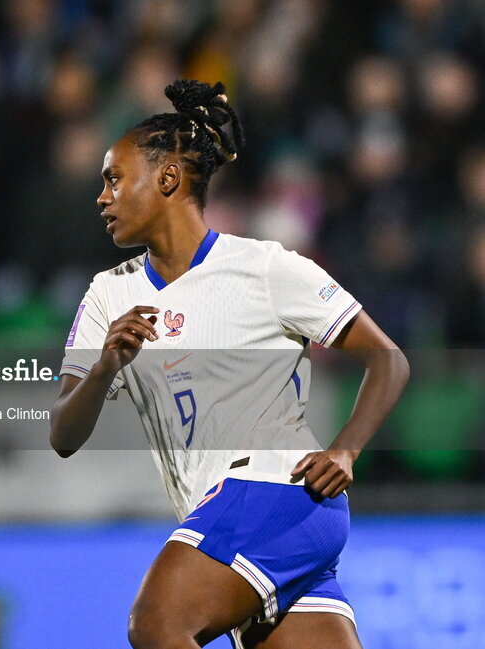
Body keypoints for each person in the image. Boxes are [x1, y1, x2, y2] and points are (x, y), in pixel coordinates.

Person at [50, 80, 409, 649]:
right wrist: (105, 367)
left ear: (167, 178)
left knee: (157, 624)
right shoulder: (107, 295)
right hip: (241, 521)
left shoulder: (264, 268)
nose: (103, 197)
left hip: (275, 488)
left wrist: (347, 447)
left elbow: (387, 360)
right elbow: (63, 434)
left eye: (114, 178)